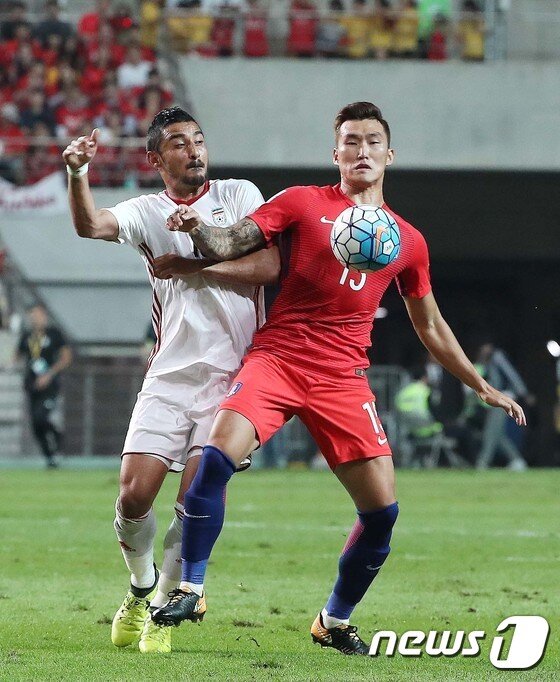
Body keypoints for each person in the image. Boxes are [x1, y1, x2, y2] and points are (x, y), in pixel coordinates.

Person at [150, 101, 526, 654]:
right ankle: (192, 588)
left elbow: (429, 324)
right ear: (336, 154)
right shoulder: (300, 202)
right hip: (278, 358)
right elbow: (232, 242)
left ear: (389, 155)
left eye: (372, 141)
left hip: (343, 377)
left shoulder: (407, 240)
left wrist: (480, 383)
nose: (362, 150)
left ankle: (333, 619)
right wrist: (199, 230)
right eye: (351, 141)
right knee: (214, 459)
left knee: (382, 514)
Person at [62, 107, 280, 654]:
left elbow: (268, 267)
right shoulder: (147, 211)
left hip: (235, 378)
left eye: (199, 140)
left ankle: (163, 607)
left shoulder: (239, 196)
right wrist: (78, 173)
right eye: (179, 143)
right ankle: (140, 587)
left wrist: (195, 265)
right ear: (156, 159)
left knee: (197, 495)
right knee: (133, 496)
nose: (194, 150)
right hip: (169, 376)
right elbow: (90, 225)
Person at [14, 303, 72, 468]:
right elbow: (17, 356)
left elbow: (66, 357)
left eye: (38, 315)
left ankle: (57, 436)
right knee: (35, 424)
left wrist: (49, 374)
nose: (35, 318)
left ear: (44, 316)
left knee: (42, 417)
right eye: (32, 315)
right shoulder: (27, 336)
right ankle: (50, 457)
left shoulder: (54, 334)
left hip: (50, 386)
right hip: (32, 386)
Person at [473, 342, 533, 470]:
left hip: (504, 398)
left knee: (490, 432)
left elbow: (511, 374)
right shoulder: (485, 362)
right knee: (498, 434)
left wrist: (523, 393)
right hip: (495, 400)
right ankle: (517, 460)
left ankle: (482, 462)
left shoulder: (497, 356)